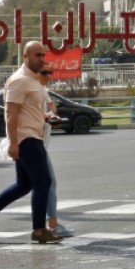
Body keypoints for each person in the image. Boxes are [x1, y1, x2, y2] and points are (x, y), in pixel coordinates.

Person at [0, 41, 63, 244]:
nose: (42, 59)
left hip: (33, 135)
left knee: (24, 185)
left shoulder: (33, 81)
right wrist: (13, 143)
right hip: (26, 138)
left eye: (43, 55)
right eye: (37, 55)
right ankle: (39, 230)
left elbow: (29, 111)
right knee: (43, 181)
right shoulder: (19, 80)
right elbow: (11, 113)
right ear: (26, 56)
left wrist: (47, 117)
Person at [36, 65, 74, 238]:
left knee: (24, 185)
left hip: (38, 143)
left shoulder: (43, 91)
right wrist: (47, 116)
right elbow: (28, 116)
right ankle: (51, 225)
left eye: (50, 73)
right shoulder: (32, 91)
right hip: (32, 143)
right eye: (44, 73)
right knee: (48, 183)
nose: (48, 76)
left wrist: (52, 114)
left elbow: (51, 108)